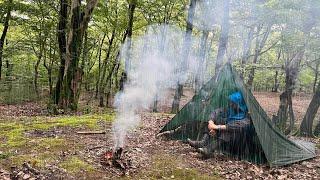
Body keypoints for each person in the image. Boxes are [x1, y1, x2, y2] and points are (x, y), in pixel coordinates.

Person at [187, 91, 252, 157]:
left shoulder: (246, 117)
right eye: (231, 102)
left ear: (239, 104)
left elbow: (235, 126)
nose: (230, 104)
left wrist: (216, 127)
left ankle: (209, 149)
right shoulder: (230, 110)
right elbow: (216, 112)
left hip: (238, 145)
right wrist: (211, 122)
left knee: (230, 131)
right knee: (215, 122)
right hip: (226, 141)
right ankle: (203, 143)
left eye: (233, 103)